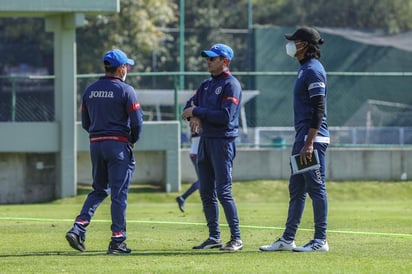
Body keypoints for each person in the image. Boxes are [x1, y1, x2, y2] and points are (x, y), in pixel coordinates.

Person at [65, 49, 144, 255]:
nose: (127, 69)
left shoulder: (90, 90)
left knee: (99, 190)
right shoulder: (126, 90)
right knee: (119, 194)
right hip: (118, 145)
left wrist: (98, 134)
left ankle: (78, 227)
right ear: (120, 69)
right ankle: (118, 242)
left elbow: (85, 123)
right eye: (126, 66)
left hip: (96, 145)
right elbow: (137, 123)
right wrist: (132, 140)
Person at [259, 27, 330, 252]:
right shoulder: (304, 69)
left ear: (305, 45)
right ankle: (288, 240)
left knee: (316, 187)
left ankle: (320, 241)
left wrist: (309, 143)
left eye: (295, 41)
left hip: (313, 140)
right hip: (303, 138)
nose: (291, 45)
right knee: (297, 188)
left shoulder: (313, 71)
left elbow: (319, 108)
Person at [181, 43, 243, 251]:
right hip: (205, 141)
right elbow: (188, 107)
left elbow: (225, 117)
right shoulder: (206, 84)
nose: (208, 61)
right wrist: (196, 113)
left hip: (223, 142)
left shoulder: (231, 85)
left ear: (225, 61)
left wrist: (198, 111)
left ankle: (236, 238)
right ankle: (214, 236)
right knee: (206, 191)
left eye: (212, 58)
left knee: (223, 192)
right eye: (207, 57)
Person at [176, 133, 200, 212]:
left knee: (203, 181)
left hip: (195, 153)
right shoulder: (200, 124)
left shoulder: (198, 123)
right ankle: (182, 197)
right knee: (203, 180)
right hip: (198, 155)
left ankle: (206, 204)